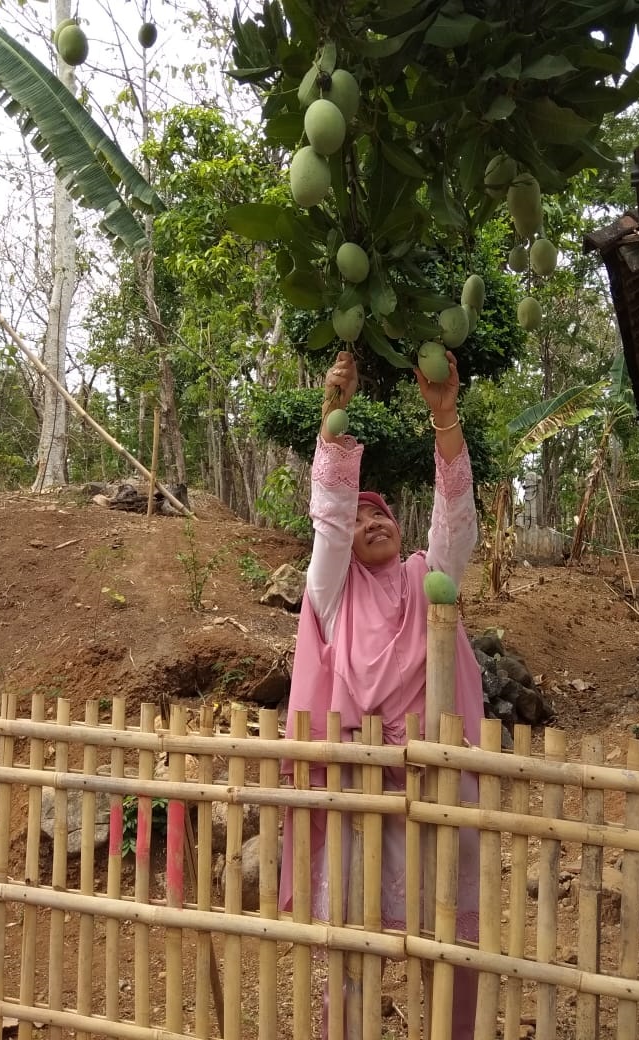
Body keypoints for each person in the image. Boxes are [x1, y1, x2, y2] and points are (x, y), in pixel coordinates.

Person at [278, 349, 484, 1037]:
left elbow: (456, 519)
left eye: (382, 515)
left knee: (449, 947)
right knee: (355, 945)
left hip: (436, 787)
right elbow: (330, 520)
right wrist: (332, 419)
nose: (372, 522)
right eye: (361, 519)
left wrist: (445, 417)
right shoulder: (332, 594)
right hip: (359, 793)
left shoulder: (432, 577)